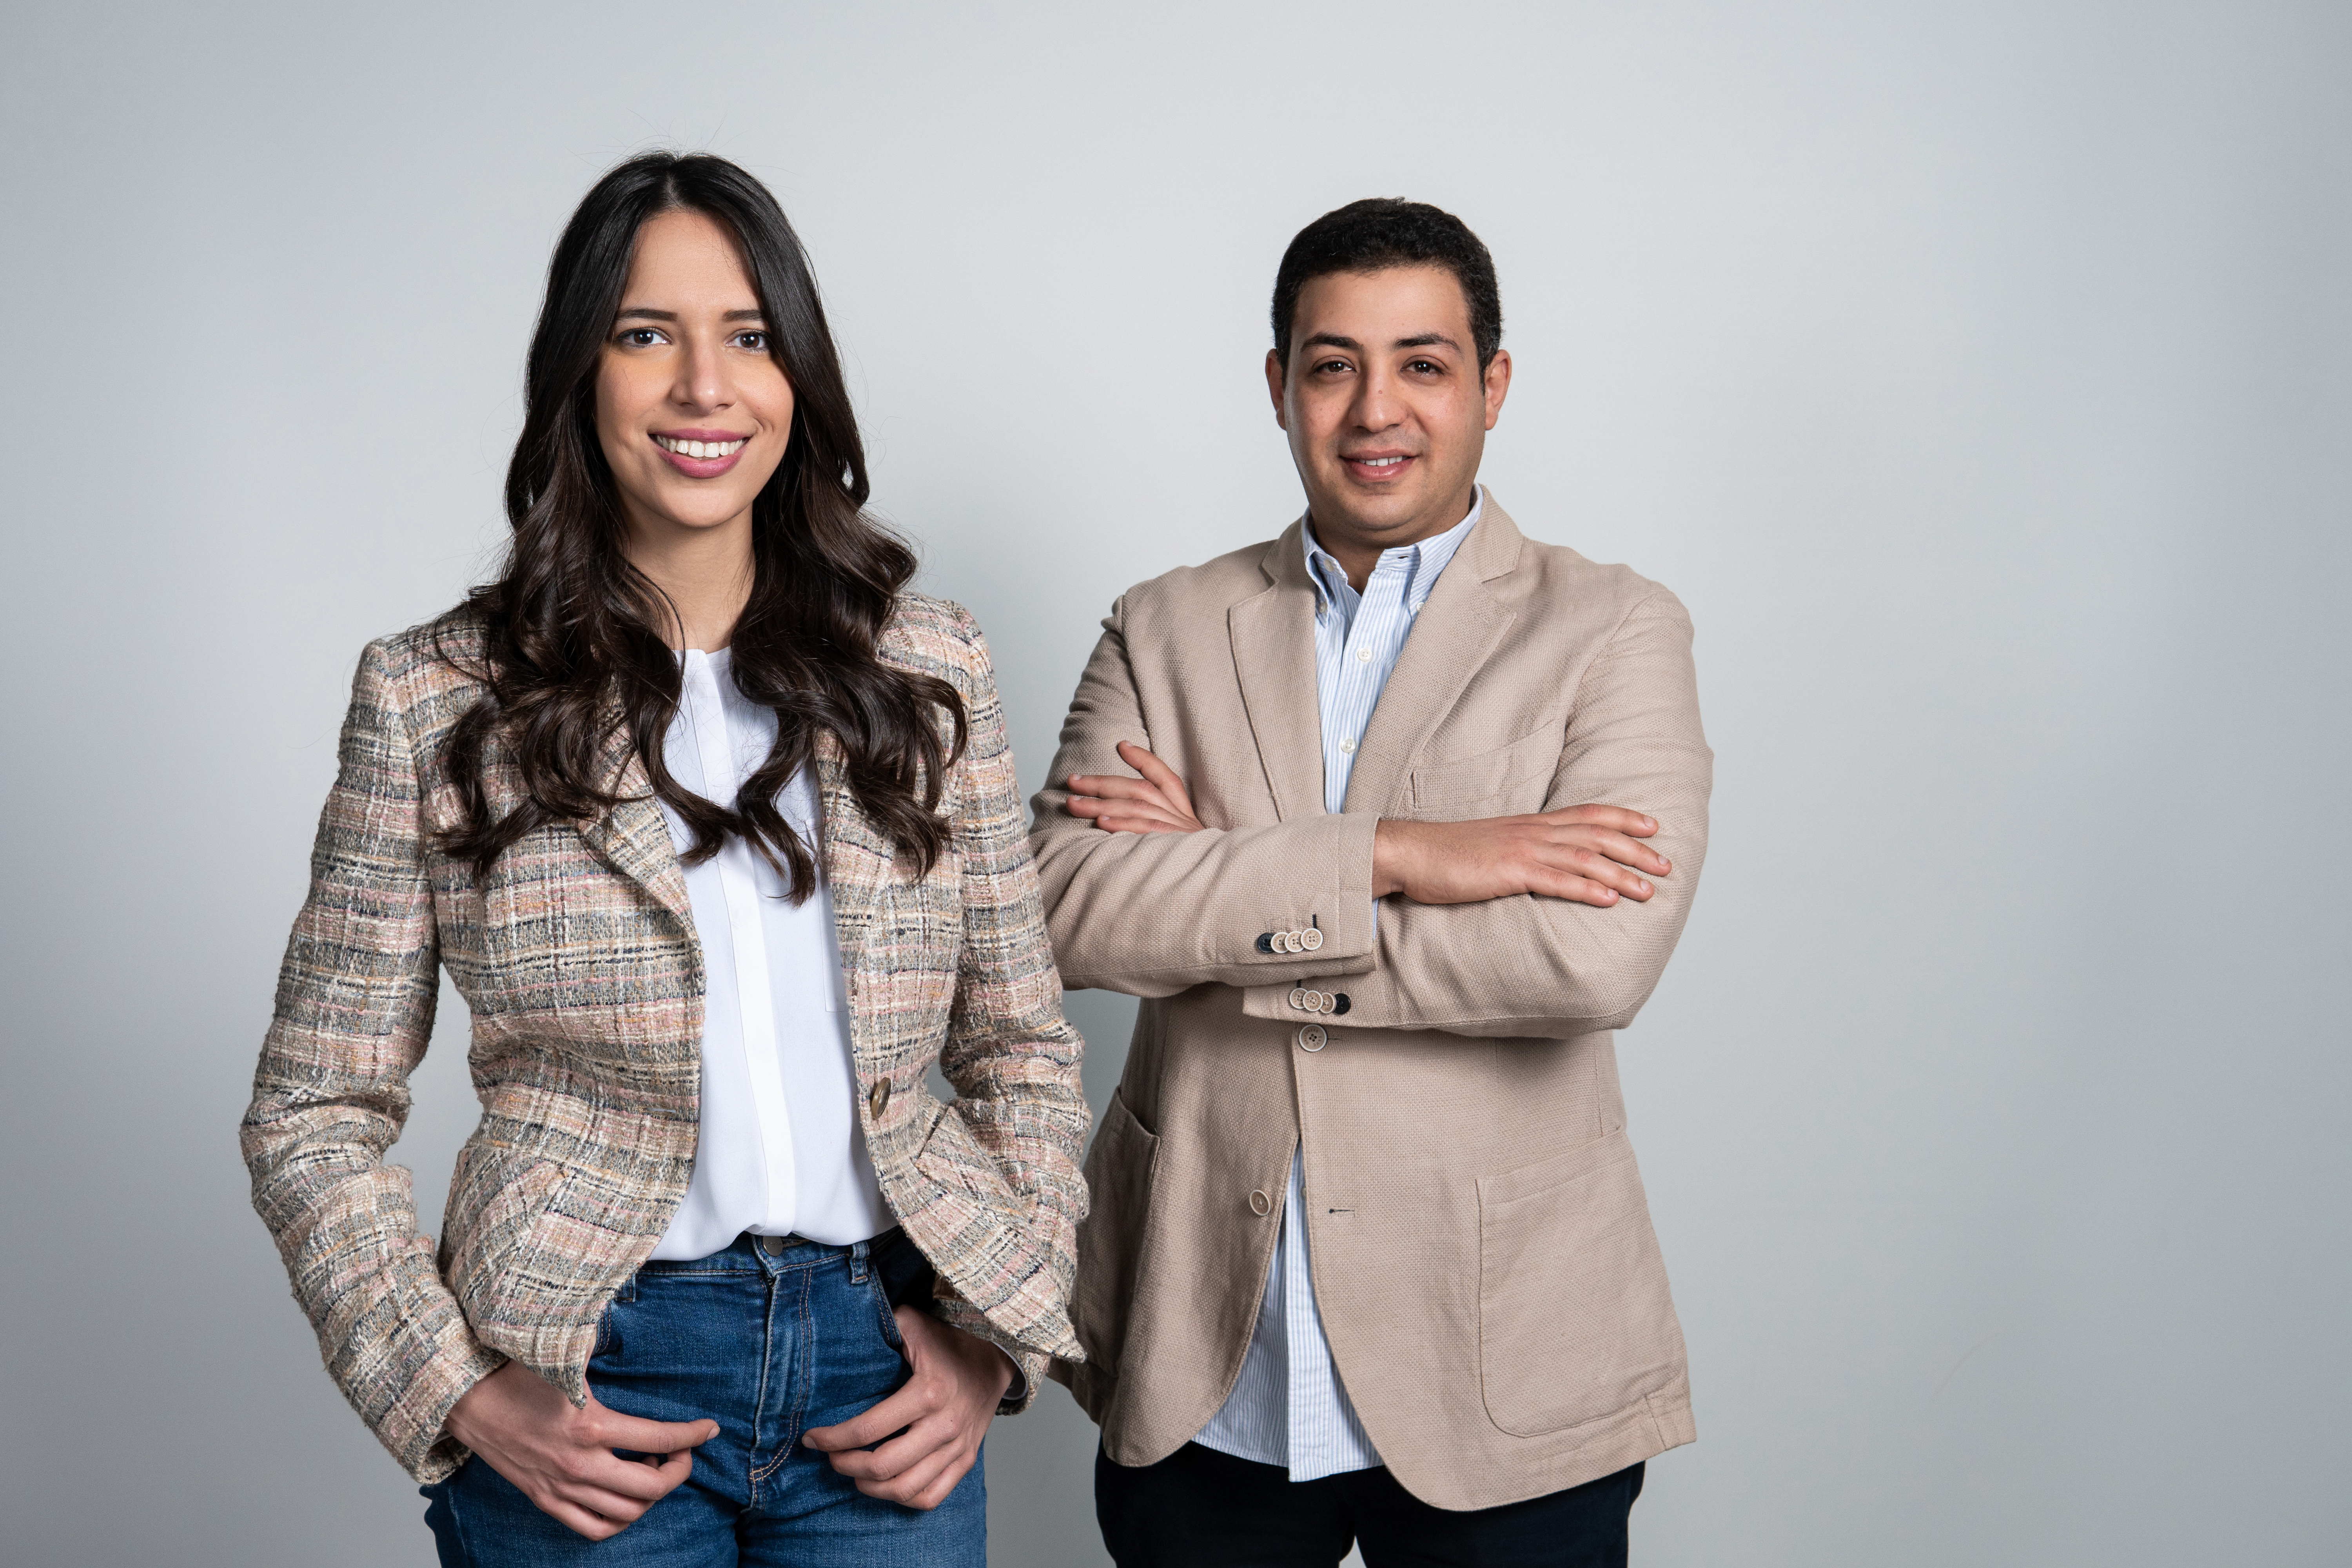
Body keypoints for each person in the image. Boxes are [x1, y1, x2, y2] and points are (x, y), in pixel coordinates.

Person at [241, 152, 1086, 1566]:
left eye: (749, 338)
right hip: (590, 1369)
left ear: (798, 378)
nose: (707, 388)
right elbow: (312, 1110)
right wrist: (451, 1388)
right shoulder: (437, 697)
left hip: (881, 1367)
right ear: (581, 373)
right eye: (648, 336)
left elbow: (1025, 1050)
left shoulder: (927, 667)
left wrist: (990, 1345)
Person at [1031, 198, 1712, 1566]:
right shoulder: (1163, 625)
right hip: (1207, 1353)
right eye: (1332, 364)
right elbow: (1061, 906)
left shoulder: (1614, 628)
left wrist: (1218, 891)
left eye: (1424, 363)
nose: (1373, 409)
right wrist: (1408, 858)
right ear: (1280, 385)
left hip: (1505, 1356)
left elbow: (1592, 962)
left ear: (1492, 386)